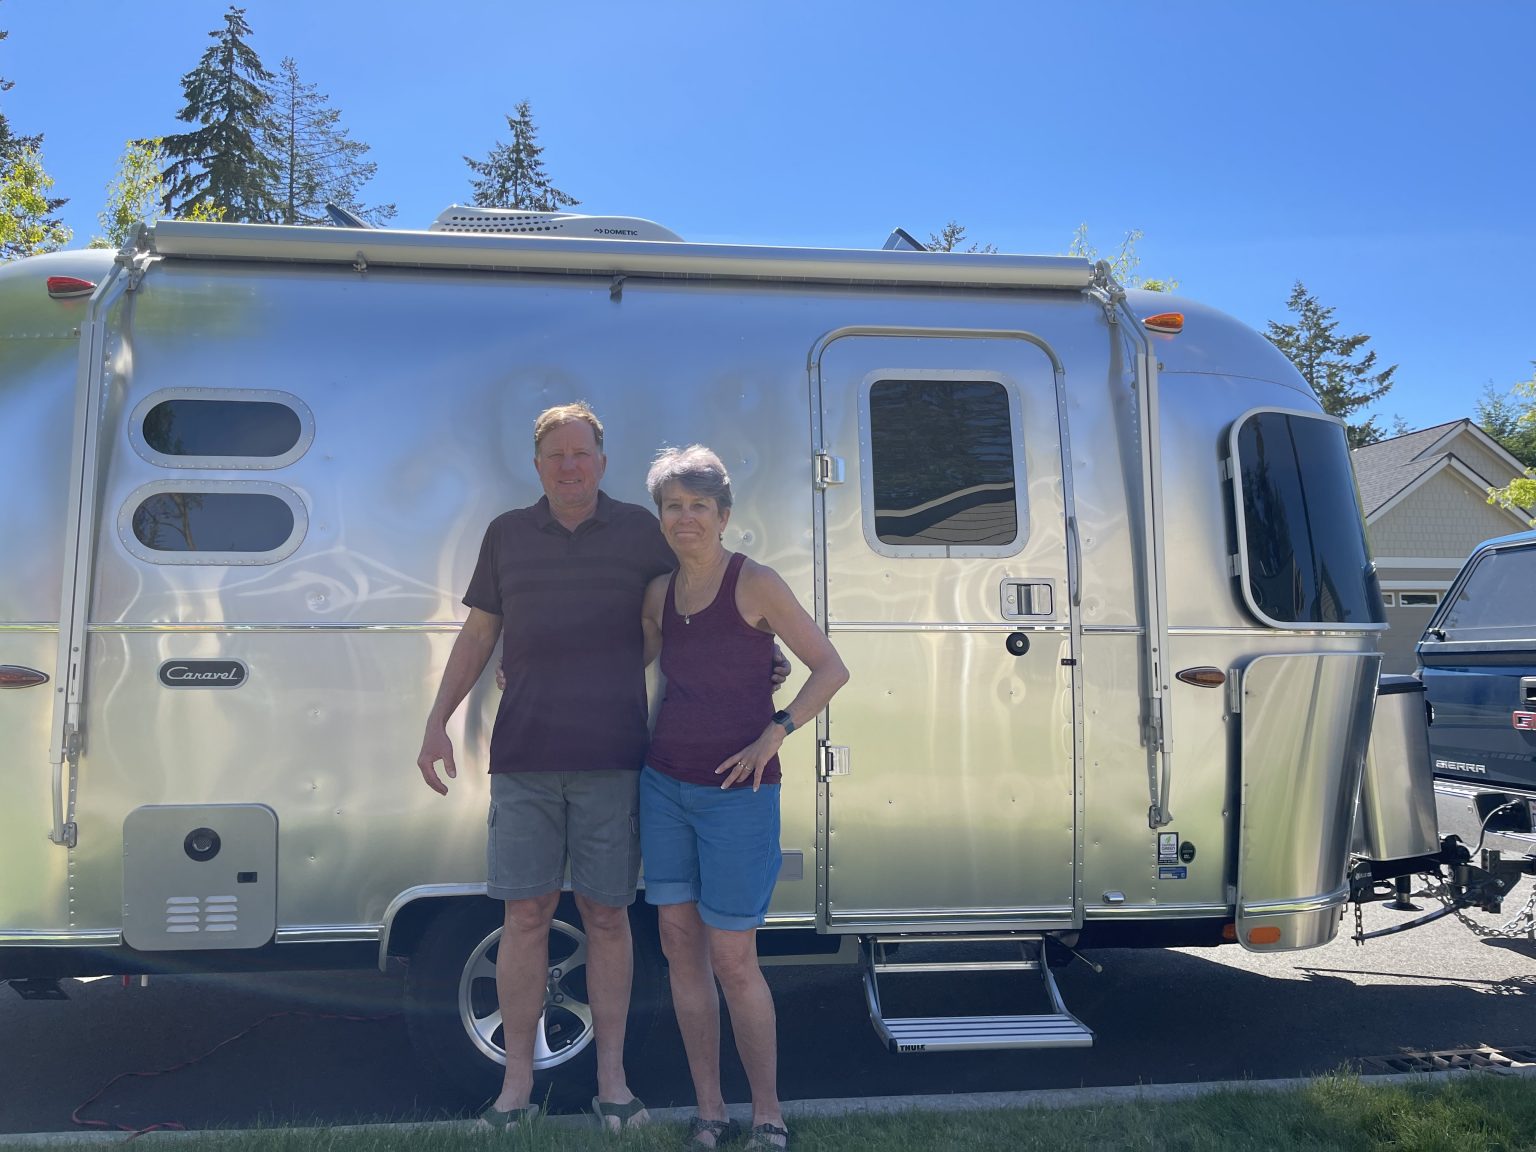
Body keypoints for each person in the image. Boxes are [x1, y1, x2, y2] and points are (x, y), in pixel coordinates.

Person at [415, 402, 673, 1133]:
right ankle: (515, 1091)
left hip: (612, 757)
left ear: (603, 461)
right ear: (537, 467)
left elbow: (668, 621)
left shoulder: (640, 532)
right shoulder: (507, 535)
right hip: (524, 759)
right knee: (525, 917)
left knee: (607, 917)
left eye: (581, 453)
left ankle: (613, 1085)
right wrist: (436, 722)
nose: (569, 466)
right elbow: (478, 634)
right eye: (555, 455)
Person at [639, 445, 849, 1151]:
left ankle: (767, 1114)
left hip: (737, 796)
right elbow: (622, 661)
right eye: (674, 506)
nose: (686, 518)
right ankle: (710, 1110)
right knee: (680, 949)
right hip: (664, 786)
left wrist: (775, 732)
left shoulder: (756, 583)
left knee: (732, 960)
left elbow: (830, 668)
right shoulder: (658, 593)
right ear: (660, 517)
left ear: (724, 515)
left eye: (699, 506)